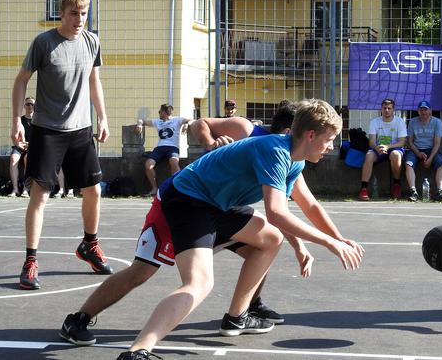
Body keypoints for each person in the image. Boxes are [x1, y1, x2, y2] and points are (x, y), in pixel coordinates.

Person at [117, 99, 365, 360]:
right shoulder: (275, 151)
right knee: (198, 284)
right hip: (190, 198)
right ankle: (137, 351)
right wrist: (328, 243)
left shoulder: (295, 160)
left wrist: (338, 239)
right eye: (330, 139)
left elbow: (306, 207)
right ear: (311, 135)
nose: (332, 147)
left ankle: (237, 317)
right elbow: (276, 213)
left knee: (270, 238)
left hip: (219, 203)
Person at [59, 104, 305, 346]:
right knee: (143, 270)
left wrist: (303, 245)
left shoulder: (292, 156)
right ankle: (79, 319)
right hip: (186, 201)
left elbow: (289, 208)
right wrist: (211, 143)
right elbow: (200, 124)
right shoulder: (248, 131)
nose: (326, 146)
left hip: (220, 207)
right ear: (292, 131)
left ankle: (241, 313)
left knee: (267, 242)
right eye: (320, 135)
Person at [11, 0, 112, 290]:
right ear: (62, 13)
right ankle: (30, 261)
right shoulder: (44, 43)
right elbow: (21, 81)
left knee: (93, 190)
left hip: (80, 130)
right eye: (74, 13)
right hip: (47, 130)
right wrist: (17, 120)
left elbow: (94, 80)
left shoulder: (91, 41)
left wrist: (102, 117)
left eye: (83, 13)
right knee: (40, 196)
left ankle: (89, 246)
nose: (79, 19)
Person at [135, 103, 191, 196]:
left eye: (159, 112)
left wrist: (186, 124)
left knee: (174, 162)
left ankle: (176, 187)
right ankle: (154, 188)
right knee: (148, 165)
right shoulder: (158, 122)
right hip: (160, 148)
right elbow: (142, 120)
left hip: (173, 147)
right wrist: (140, 124)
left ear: (164, 112)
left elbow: (190, 119)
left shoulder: (177, 120)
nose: (159, 113)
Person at [358, 98, 407, 201]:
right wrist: (377, 147)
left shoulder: (400, 122)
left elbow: (402, 142)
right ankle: (363, 189)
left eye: (389, 108)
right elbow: (371, 141)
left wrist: (388, 147)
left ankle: (396, 185)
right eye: (384, 108)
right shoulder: (375, 122)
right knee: (369, 155)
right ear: (381, 109)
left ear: (393, 109)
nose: (387, 110)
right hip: (378, 148)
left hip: (394, 148)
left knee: (395, 155)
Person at [404, 100, 442, 202]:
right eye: (421, 110)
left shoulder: (437, 122)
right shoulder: (413, 122)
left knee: (441, 164)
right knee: (408, 164)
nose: (423, 112)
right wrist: (418, 153)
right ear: (418, 111)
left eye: (425, 110)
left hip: (432, 150)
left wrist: (430, 158)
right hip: (415, 149)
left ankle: (440, 191)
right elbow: (409, 142)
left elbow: (437, 143)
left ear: (430, 111)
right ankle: (413, 191)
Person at [8, 98, 34, 197]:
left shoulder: (38, 121)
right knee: (13, 158)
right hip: (19, 145)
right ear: (24, 106)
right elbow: (13, 135)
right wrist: (18, 143)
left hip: (33, 146)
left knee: (27, 158)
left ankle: (26, 189)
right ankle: (15, 189)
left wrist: (30, 144)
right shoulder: (20, 121)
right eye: (28, 104)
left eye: (32, 104)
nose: (30, 106)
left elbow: (41, 138)